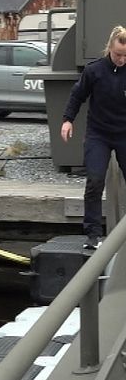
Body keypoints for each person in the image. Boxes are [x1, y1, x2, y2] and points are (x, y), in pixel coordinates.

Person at [60, 25, 126, 250]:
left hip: (124, 133)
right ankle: (93, 234)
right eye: (118, 55)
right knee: (95, 180)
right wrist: (68, 120)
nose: (122, 60)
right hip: (99, 133)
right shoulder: (94, 71)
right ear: (109, 49)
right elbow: (77, 95)